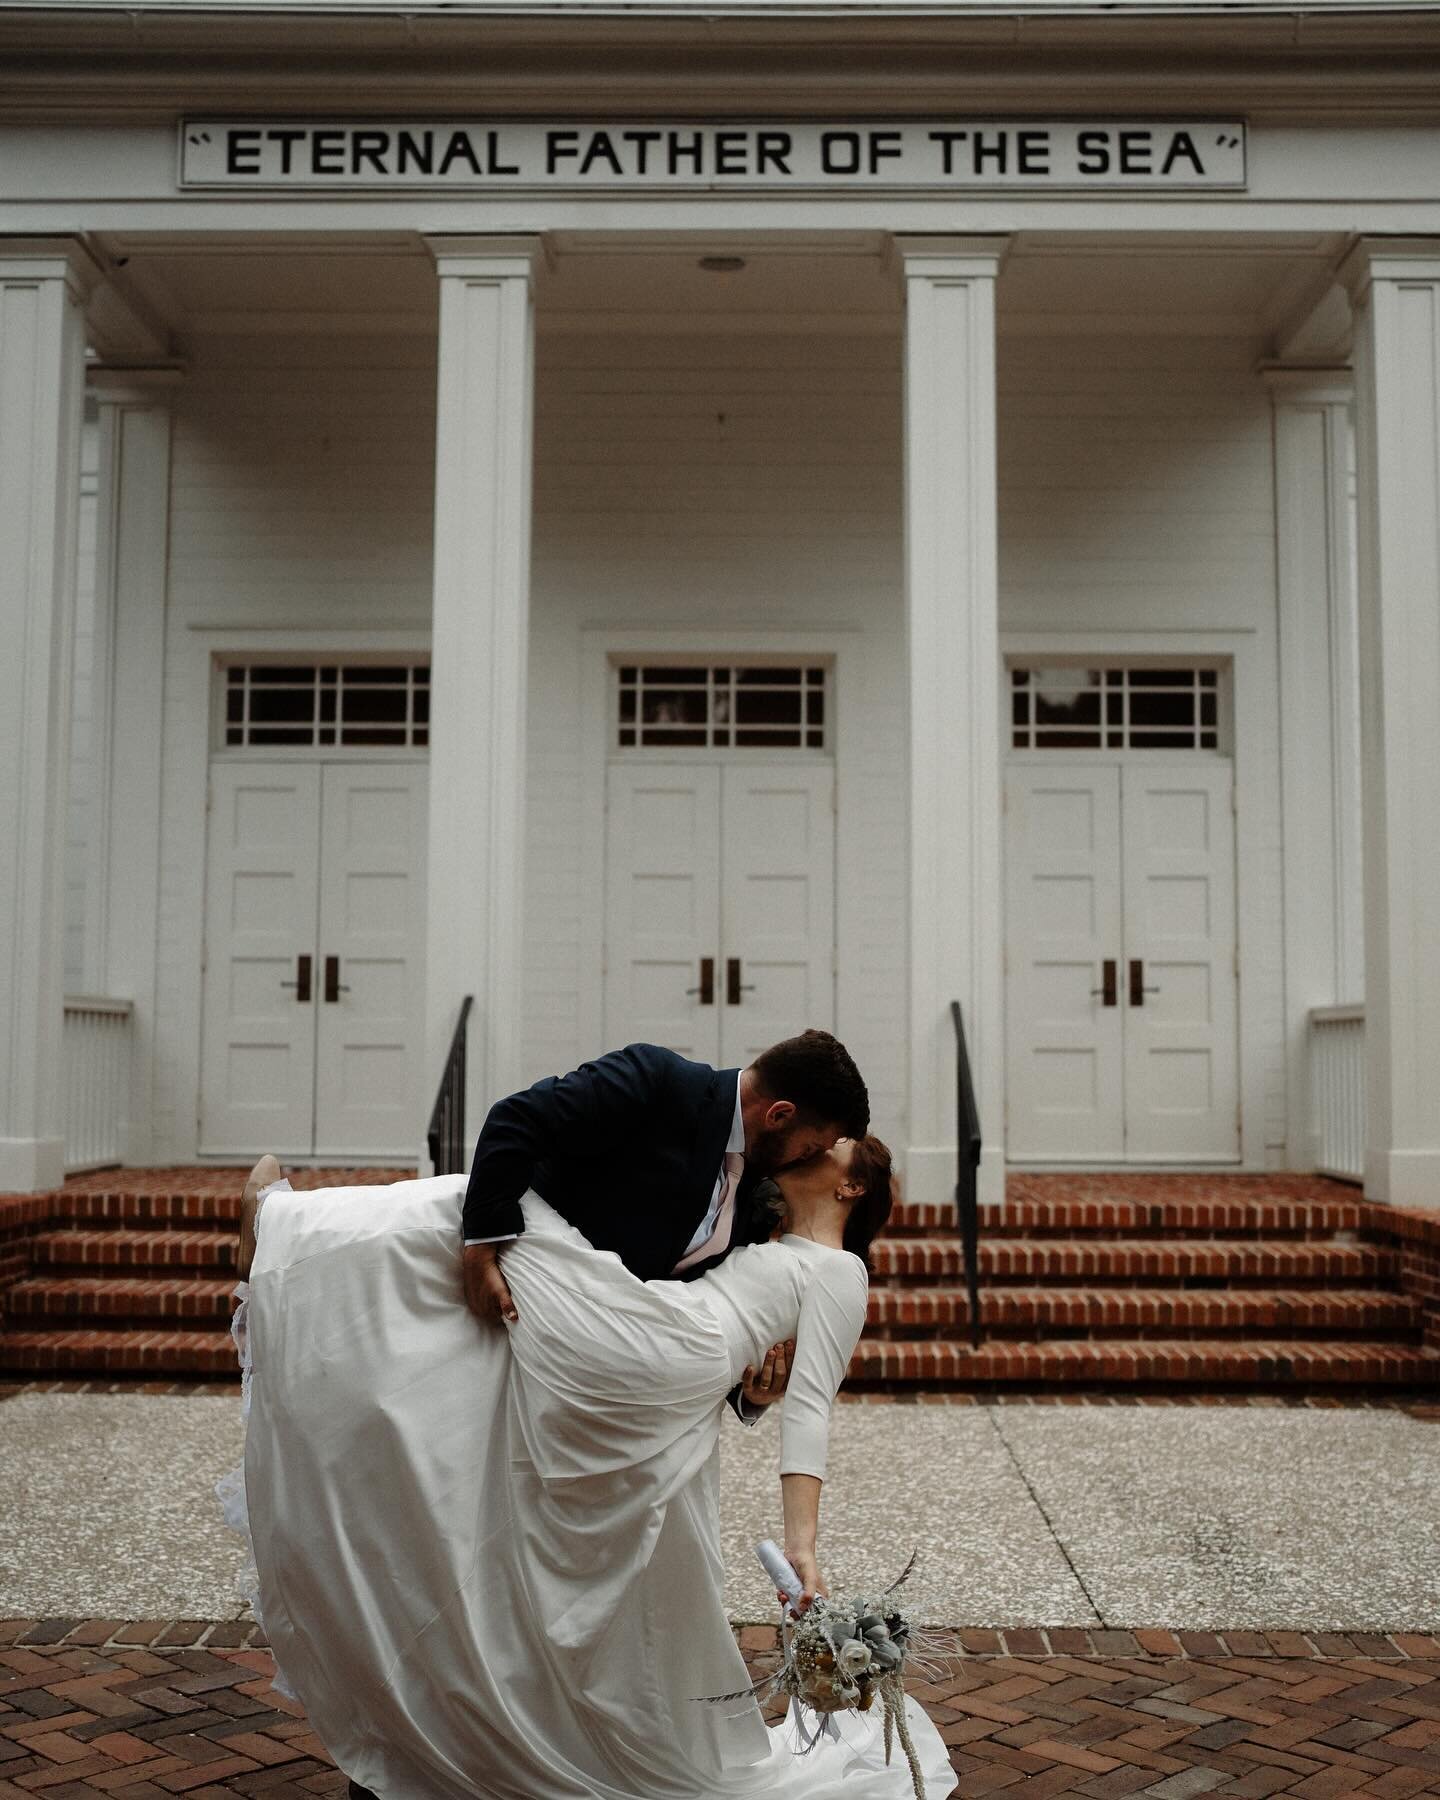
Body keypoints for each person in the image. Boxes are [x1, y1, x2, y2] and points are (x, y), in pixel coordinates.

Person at [222, 1126, 957, 1799]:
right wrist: (747, 1388)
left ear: (852, 1186)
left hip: (660, 1346)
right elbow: (744, 1356)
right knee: (497, 1256)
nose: (820, 1141)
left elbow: (810, 1407)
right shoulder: (755, 1228)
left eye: (838, 1144)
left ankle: (287, 1228)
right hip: (660, 1356)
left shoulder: (840, 1273)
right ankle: (303, 1265)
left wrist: (801, 1544)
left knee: (520, 1211)